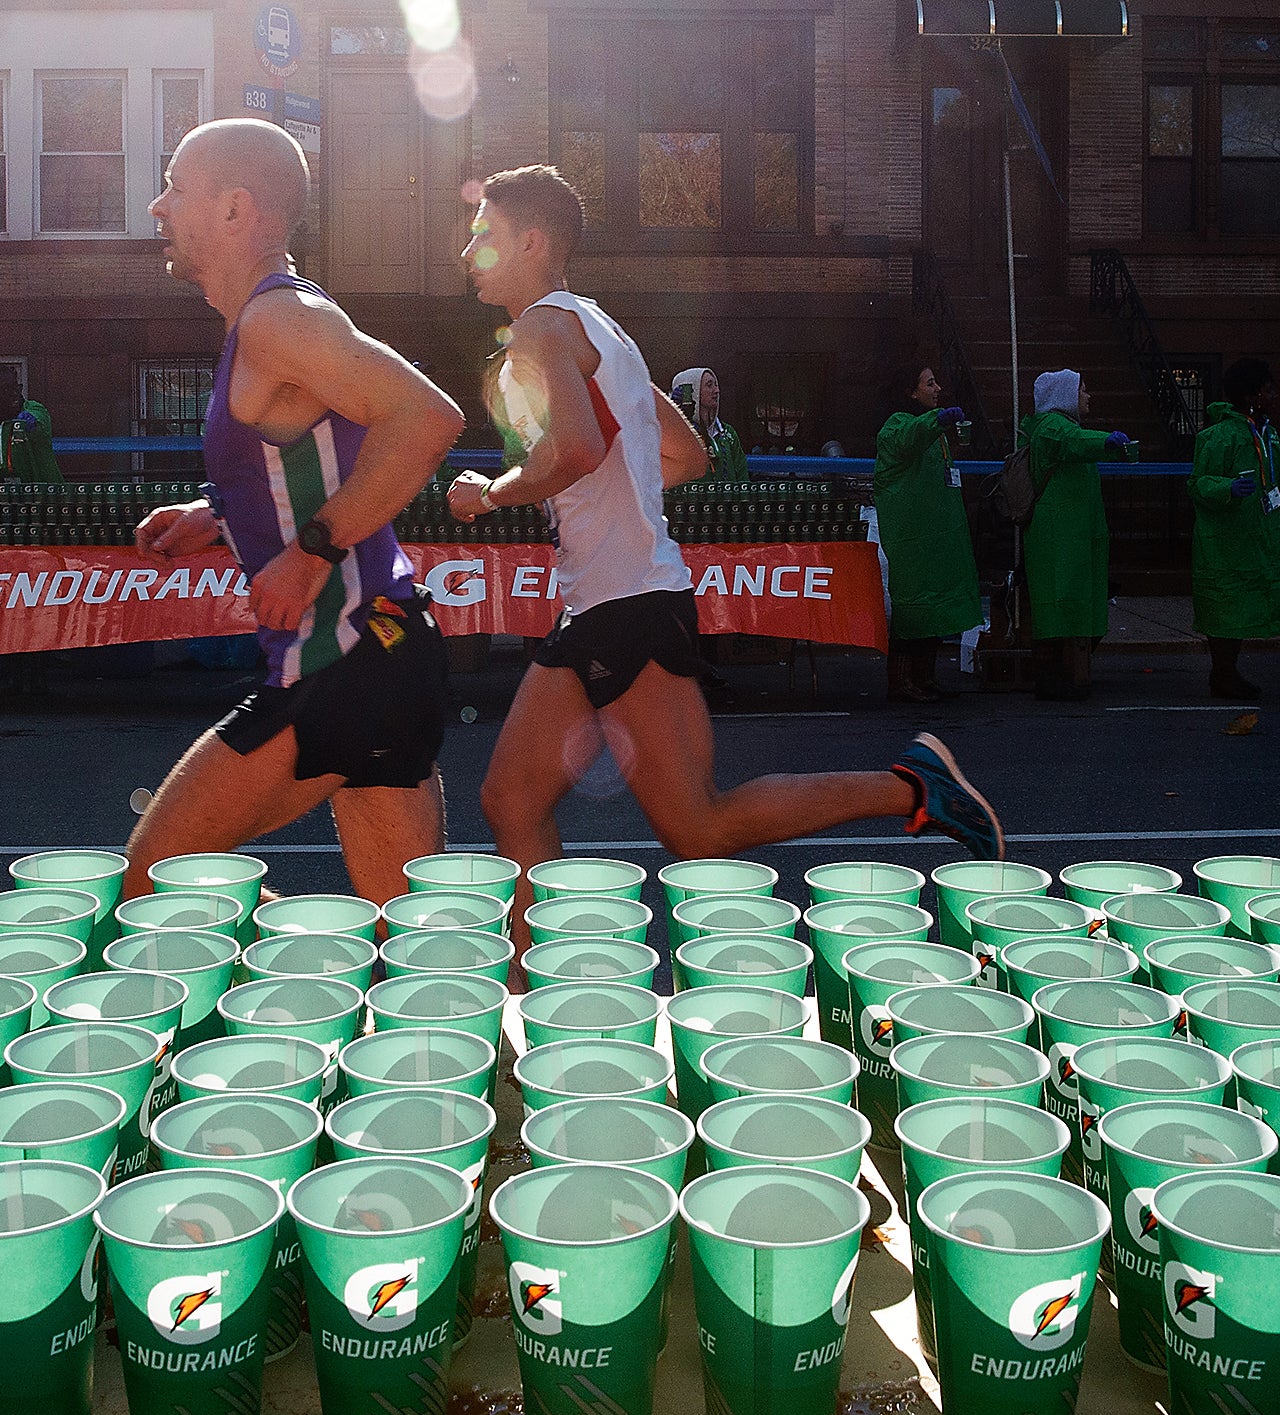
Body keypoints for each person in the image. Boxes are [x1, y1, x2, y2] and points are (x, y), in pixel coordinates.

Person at [446, 165, 1003, 959]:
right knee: (509, 800)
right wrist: (611, 484)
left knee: (699, 830)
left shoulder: (539, 329)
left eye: (483, 235)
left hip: (629, 605)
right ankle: (546, 990)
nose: (467, 250)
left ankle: (911, 785)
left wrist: (490, 493)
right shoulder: (605, 330)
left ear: (530, 242)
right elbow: (687, 454)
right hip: (601, 606)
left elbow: (572, 449)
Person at [127, 119, 464, 907]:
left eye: (175, 188)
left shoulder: (276, 320)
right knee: (417, 938)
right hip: (387, 642)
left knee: (153, 886)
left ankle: (305, 999)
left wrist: (311, 552)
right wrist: (217, 513)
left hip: (342, 659)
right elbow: (315, 454)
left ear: (236, 209)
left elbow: (429, 418)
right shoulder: (273, 319)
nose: (157, 207)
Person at [1019, 368, 1134, 701]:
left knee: (1068, 600)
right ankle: (1050, 674)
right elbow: (1076, 443)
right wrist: (1107, 441)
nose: (1088, 396)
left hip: (1072, 535)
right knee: (1057, 603)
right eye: (1082, 390)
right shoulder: (1053, 428)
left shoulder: (1056, 428)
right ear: (1065, 395)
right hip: (1058, 536)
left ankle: (1061, 671)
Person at [873, 364, 981, 702]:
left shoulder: (934, 431)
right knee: (912, 610)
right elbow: (909, 438)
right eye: (930, 383)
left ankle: (924, 677)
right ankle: (901, 681)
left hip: (935, 537)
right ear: (911, 392)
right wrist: (939, 420)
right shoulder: (897, 426)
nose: (938, 389)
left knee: (932, 608)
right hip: (912, 539)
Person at [1188, 358, 1280, 699]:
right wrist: (1226, 489)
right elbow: (1199, 483)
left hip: (1254, 536)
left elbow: (1273, 480)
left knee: (1239, 609)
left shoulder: (1267, 434)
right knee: (1225, 609)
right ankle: (1223, 674)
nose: (1274, 395)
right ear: (1251, 394)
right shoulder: (1220, 437)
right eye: (1267, 388)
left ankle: (1227, 673)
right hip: (1226, 542)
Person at [0, 364, 64, 485]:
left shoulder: (32, 409)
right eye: (6, 389)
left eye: (16, 387)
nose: (15, 393)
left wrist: (32, 423)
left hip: (42, 494)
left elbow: (41, 422)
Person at [669, 367, 748, 481]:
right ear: (693, 390)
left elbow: (742, 477)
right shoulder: (680, 435)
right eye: (709, 385)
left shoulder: (727, 433)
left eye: (716, 385)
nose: (716, 390)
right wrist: (674, 415)